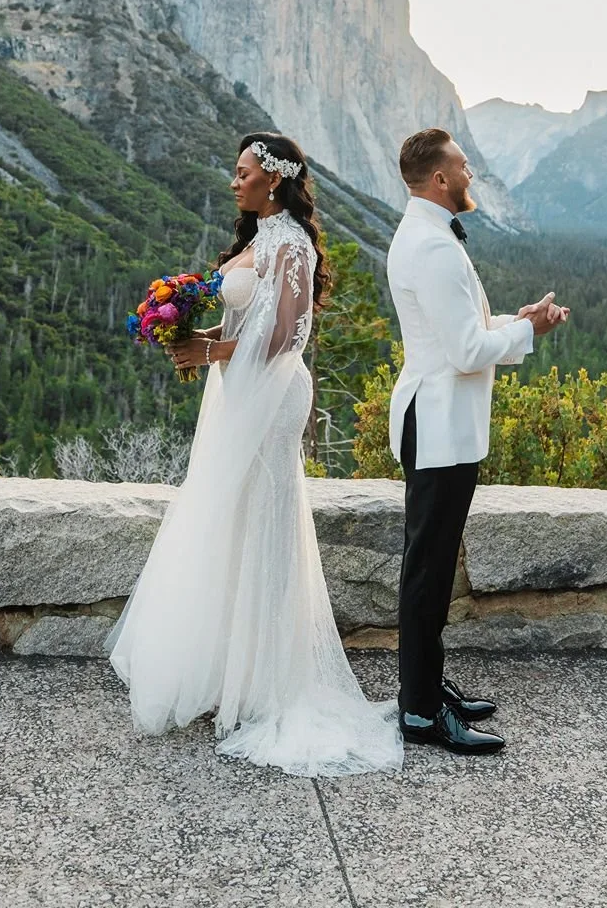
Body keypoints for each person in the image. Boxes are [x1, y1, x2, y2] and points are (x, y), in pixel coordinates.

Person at [104, 131, 403, 777]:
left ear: (273, 179)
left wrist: (212, 351)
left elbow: (289, 332)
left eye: (243, 172)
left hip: (272, 396)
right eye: (235, 171)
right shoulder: (257, 240)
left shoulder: (291, 242)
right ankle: (229, 670)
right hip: (240, 388)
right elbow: (248, 322)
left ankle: (268, 683)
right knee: (231, 517)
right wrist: (200, 334)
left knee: (264, 523)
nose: (234, 181)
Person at [387, 128, 568, 755]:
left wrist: (518, 322)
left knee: (431, 566)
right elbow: (465, 352)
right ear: (440, 179)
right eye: (464, 166)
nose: (471, 175)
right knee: (428, 571)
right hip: (438, 426)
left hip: (441, 421)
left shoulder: (427, 235)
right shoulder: (433, 248)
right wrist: (530, 334)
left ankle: (428, 688)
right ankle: (418, 711)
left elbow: (460, 331)